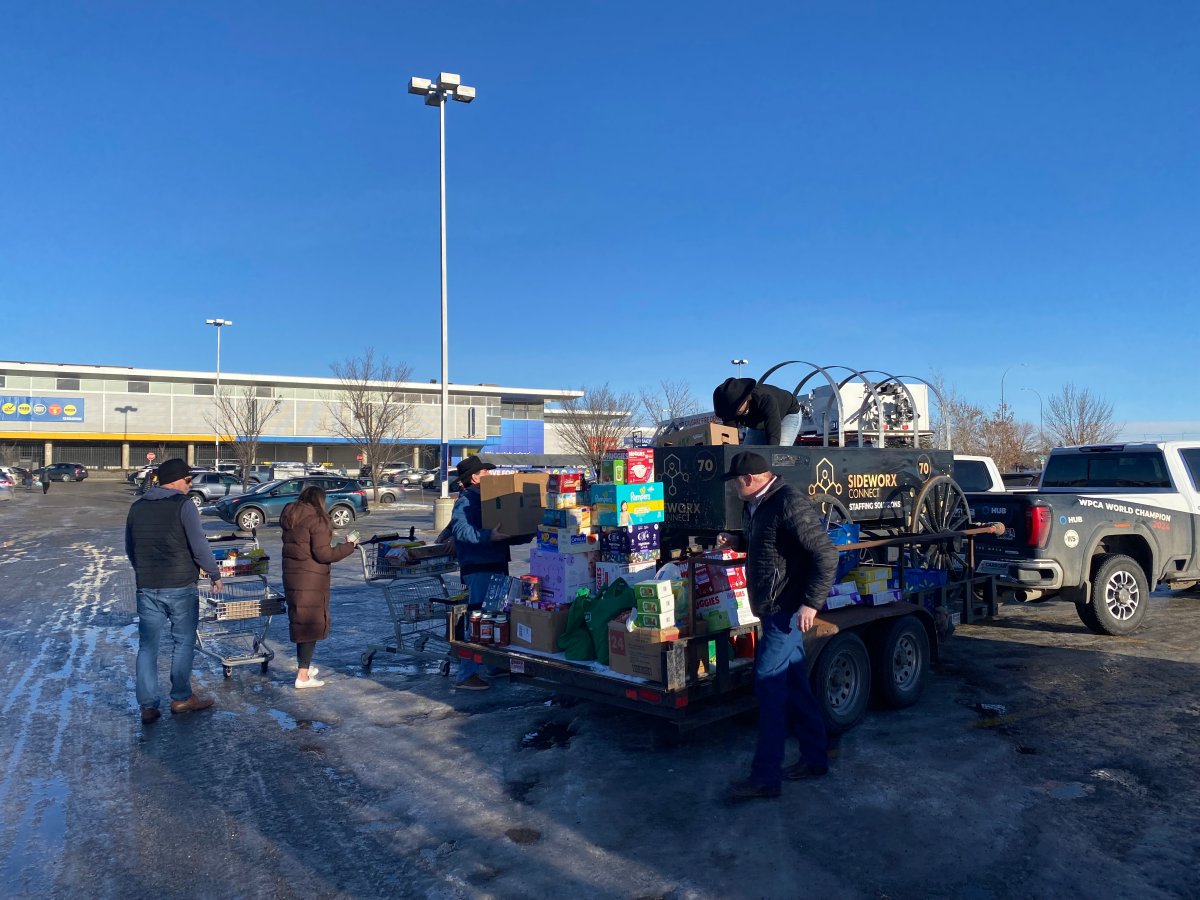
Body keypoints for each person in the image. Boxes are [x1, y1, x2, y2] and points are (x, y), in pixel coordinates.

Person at [717, 451, 840, 801]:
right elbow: (772, 546)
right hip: (772, 608)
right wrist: (737, 542)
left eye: (734, 482)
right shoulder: (757, 504)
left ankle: (765, 778)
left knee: (768, 688)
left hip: (786, 611)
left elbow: (826, 554)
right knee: (796, 687)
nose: (733, 488)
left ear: (748, 479)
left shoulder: (788, 502)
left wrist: (811, 604)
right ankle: (815, 758)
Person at [125, 457, 222, 724]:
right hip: (180, 586)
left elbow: (130, 548)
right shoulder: (184, 505)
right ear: (177, 480)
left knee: (147, 647)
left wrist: (143, 571)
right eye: (189, 481)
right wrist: (214, 573)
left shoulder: (137, 507)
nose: (190, 486)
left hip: (147, 587)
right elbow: (199, 545)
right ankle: (181, 698)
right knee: (183, 642)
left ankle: (147, 706)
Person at [449, 455, 531, 690]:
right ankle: (466, 674)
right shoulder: (467, 501)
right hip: (479, 567)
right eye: (485, 472)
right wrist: (488, 536)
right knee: (477, 619)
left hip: (496, 564)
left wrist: (524, 531)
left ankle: (493, 664)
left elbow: (504, 532)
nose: (490, 475)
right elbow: (461, 530)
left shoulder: (491, 500)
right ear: (475, 478)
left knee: (496, 617)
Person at [280, 485, 359, 688]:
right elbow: (324, 554)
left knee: (301, 622)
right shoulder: (317, 520)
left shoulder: (291, 516)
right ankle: (303, 676)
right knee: (309, 624)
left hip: (293, 576)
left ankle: (304, 666)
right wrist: (349, 545)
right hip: (311, 578)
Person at [712, 377, 802, 446]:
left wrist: (772, 456)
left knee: (778, 455)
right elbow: (730, 438)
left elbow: (774, 436)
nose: (734, 414)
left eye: (737, 408)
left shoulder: (765, 399)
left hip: (787, 414)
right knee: (749, 455)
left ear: (745, 399)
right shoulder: (729, 411)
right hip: (759, 422)